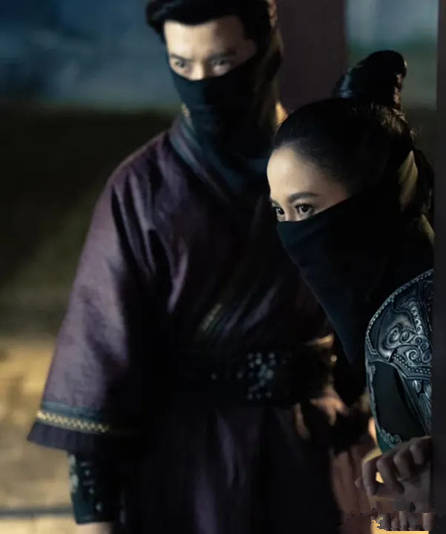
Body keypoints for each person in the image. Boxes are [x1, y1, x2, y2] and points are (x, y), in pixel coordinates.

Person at [27, 1, 371, 532]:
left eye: (222, 62)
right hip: (187, 470)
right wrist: (97, 520)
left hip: (312, 456)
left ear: (265, 49)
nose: (203, 84)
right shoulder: (142, 190)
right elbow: (99, 368)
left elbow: (368, 321)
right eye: (182, 65)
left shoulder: (326, 173)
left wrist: (370, 433)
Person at [268, 51, 435, 531]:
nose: (294, 233)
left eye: (305, 208)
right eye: (280, 212)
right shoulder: (386, 309)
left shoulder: (423, 313)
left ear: (372, 201)